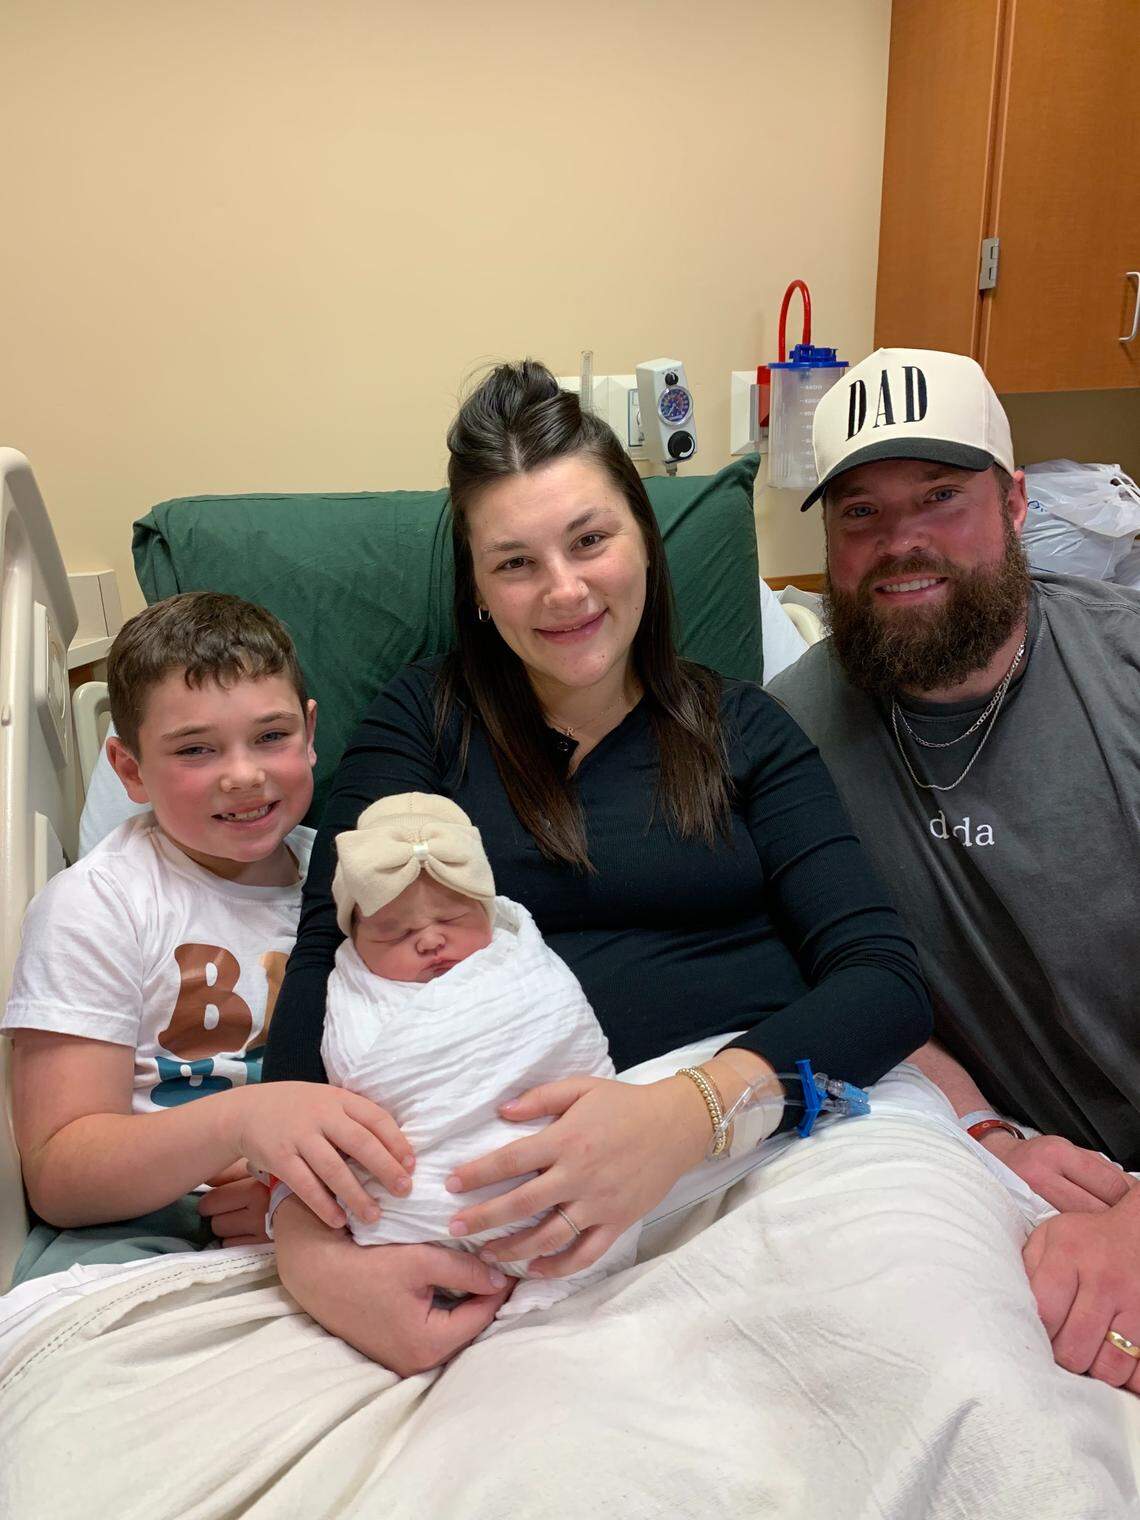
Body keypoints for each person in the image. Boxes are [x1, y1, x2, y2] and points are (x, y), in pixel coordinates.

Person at [261, 359, 933, 1375]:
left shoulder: (742, 730)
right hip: (504, 1201)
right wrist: (307, 1240)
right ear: (478, 591)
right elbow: (327, 947)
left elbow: (884, 980)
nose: (565, 590)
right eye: (516, 562)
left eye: (590, 539)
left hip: (768, 1140)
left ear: (645, 544)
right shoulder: (426, 726)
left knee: (911, 1358)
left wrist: (688, 1116)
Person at [767, 345, 1140, 1393]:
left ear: (1016, 501)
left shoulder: (1125, 667)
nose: (903, 544)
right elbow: (837, 980)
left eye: (941, 497)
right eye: (862, 515)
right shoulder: (784, 739)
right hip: (1010, 1176)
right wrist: (982, 1128)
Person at [2, 592, 412, 1282]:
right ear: (129, 769)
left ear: (311, 734)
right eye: (195, 749)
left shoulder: (353, 883)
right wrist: (242, 1125)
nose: (243, 774)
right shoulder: (98, 907)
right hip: (154, 1228)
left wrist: (298, 1197)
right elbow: (61, 1174)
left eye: (271, 736)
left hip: (343, 1203)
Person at [315, 790, 639, 1324]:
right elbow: (353, 1088)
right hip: (424, 1203)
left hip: (560, 1172)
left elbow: (565, 1036)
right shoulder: (357, 993)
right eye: (396, 931)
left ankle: (553, 1291)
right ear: (356, 940)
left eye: (455, 917)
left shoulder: (520, 965)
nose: (430, 941)